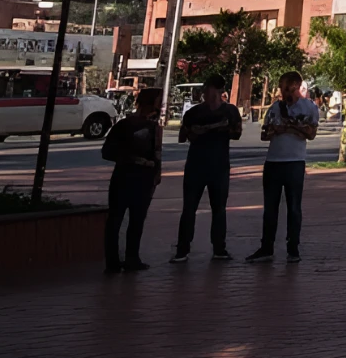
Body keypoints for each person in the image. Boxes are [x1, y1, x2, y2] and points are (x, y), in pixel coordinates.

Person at [248, 71, 318, 263]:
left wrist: (288, 127)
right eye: (281, 87)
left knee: (294, 207)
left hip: (294, 162)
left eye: (286, 87)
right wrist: (283, 128)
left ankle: (293, 248)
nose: (283, 91)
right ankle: (266, 247)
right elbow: (265, 134)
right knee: (270, 207)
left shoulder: (309, 107)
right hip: (273, 162)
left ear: (296, 86)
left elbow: (310, 133)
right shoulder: (275, 108)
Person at [173, 74, 242, 262]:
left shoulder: (230, 111)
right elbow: (182, 136)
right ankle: (182, 249)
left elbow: (237, 133)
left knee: (219, 208)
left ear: (220, 92)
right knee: (189, 208)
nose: (208, 94)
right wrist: (194, 131)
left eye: (212, 90)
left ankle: (219, 248)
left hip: (219, 167)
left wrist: (223, 129)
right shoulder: (194, 113)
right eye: (207, 90)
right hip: (196, 166)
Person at [103, 88, 163, 273]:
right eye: (158, 101)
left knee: (137, 220)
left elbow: (157, 154)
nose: (160, 105)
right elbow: (107, 152)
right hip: (124, 177)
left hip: (144, 179)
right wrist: (132, 159)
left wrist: (156, 174)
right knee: (116, 219)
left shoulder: (154, 127)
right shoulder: (124, 125)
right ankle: (112, 262)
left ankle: (132, 258)